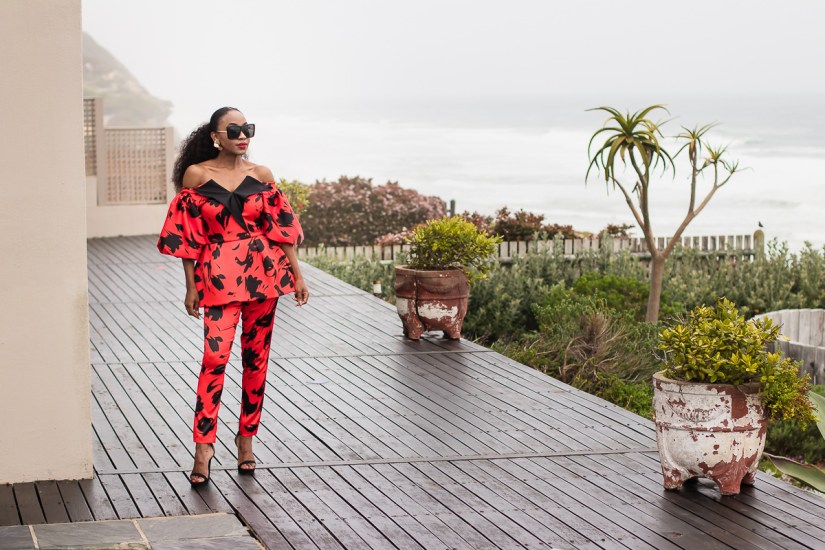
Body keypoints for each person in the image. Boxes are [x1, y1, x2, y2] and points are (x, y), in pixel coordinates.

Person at [157, 106, 309, 487]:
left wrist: (298, 275)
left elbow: (283, 230)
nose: (243, 135)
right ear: (215, 135)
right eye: (235, 129)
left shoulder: (262, 176)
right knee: (214, 359)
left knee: (256, 361)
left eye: (248, 129)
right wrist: (191, 286)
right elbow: (187, 236)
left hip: (264, 276)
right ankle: (204, 446)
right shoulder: (197, 176)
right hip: (218, 278)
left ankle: (246, 439)